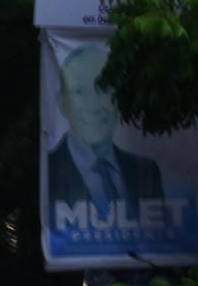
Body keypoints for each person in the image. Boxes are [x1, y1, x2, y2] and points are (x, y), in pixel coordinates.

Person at [45, 40, 170, 227]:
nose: (93, 105)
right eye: (79, 91)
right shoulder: (48, 171)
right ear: (63, 103)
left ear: (119, 101)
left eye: (104, 89)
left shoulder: (146, 171)